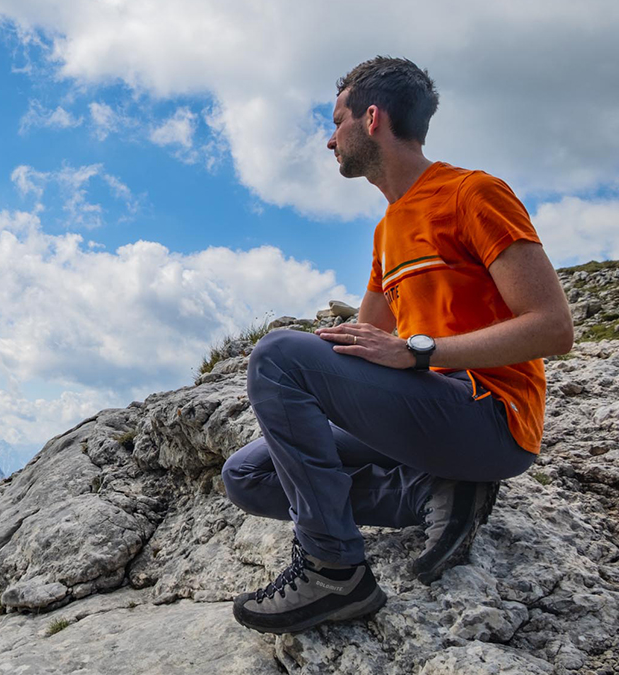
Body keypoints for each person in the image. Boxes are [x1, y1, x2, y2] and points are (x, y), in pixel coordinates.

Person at [223, 56, 574, 635]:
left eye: (336, 122)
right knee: (248, 476)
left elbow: (552, 327)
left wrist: (419, 352)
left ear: (372, 118)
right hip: (426, 415)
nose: (328, 139)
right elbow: (358, 343)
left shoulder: (472, 194)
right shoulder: (388, 231)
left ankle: (332, 567)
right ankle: (435, 492)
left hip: (489, 414)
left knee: (278, 354)